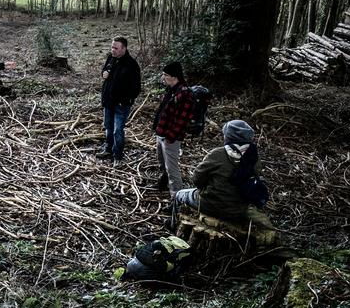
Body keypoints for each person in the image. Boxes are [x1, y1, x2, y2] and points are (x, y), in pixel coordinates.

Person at [172, 120, 268, 227]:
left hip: (211, 205)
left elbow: (196, 179)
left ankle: (172, 224)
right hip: (238, 209)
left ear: (228, 137)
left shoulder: (218, 154)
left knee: (179, 194)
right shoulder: (254, 157)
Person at [151, 61, 195, 196]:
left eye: (166, 75)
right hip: (161, 133)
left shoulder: (185, 94)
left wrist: (170, 137)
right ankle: (164, 183)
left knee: (172, 169)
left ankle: (177, 197)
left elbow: (183, 119)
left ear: (174, 76)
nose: (163, 77)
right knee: (162, 162)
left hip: (170, 137)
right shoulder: (171, 89)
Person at [97, 36, 141, 163]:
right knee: (108, 127)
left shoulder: (132, 65)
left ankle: (117, 156)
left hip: (121, 105)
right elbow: (105, 71)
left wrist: (124, 100)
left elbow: (136, 89)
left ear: (124, 48)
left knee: (117, 131)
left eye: (116, 48)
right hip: (108, 102)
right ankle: (108, 149)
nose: (113, 50)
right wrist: (104, 73)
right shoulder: (111, 58)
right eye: (112, 47)